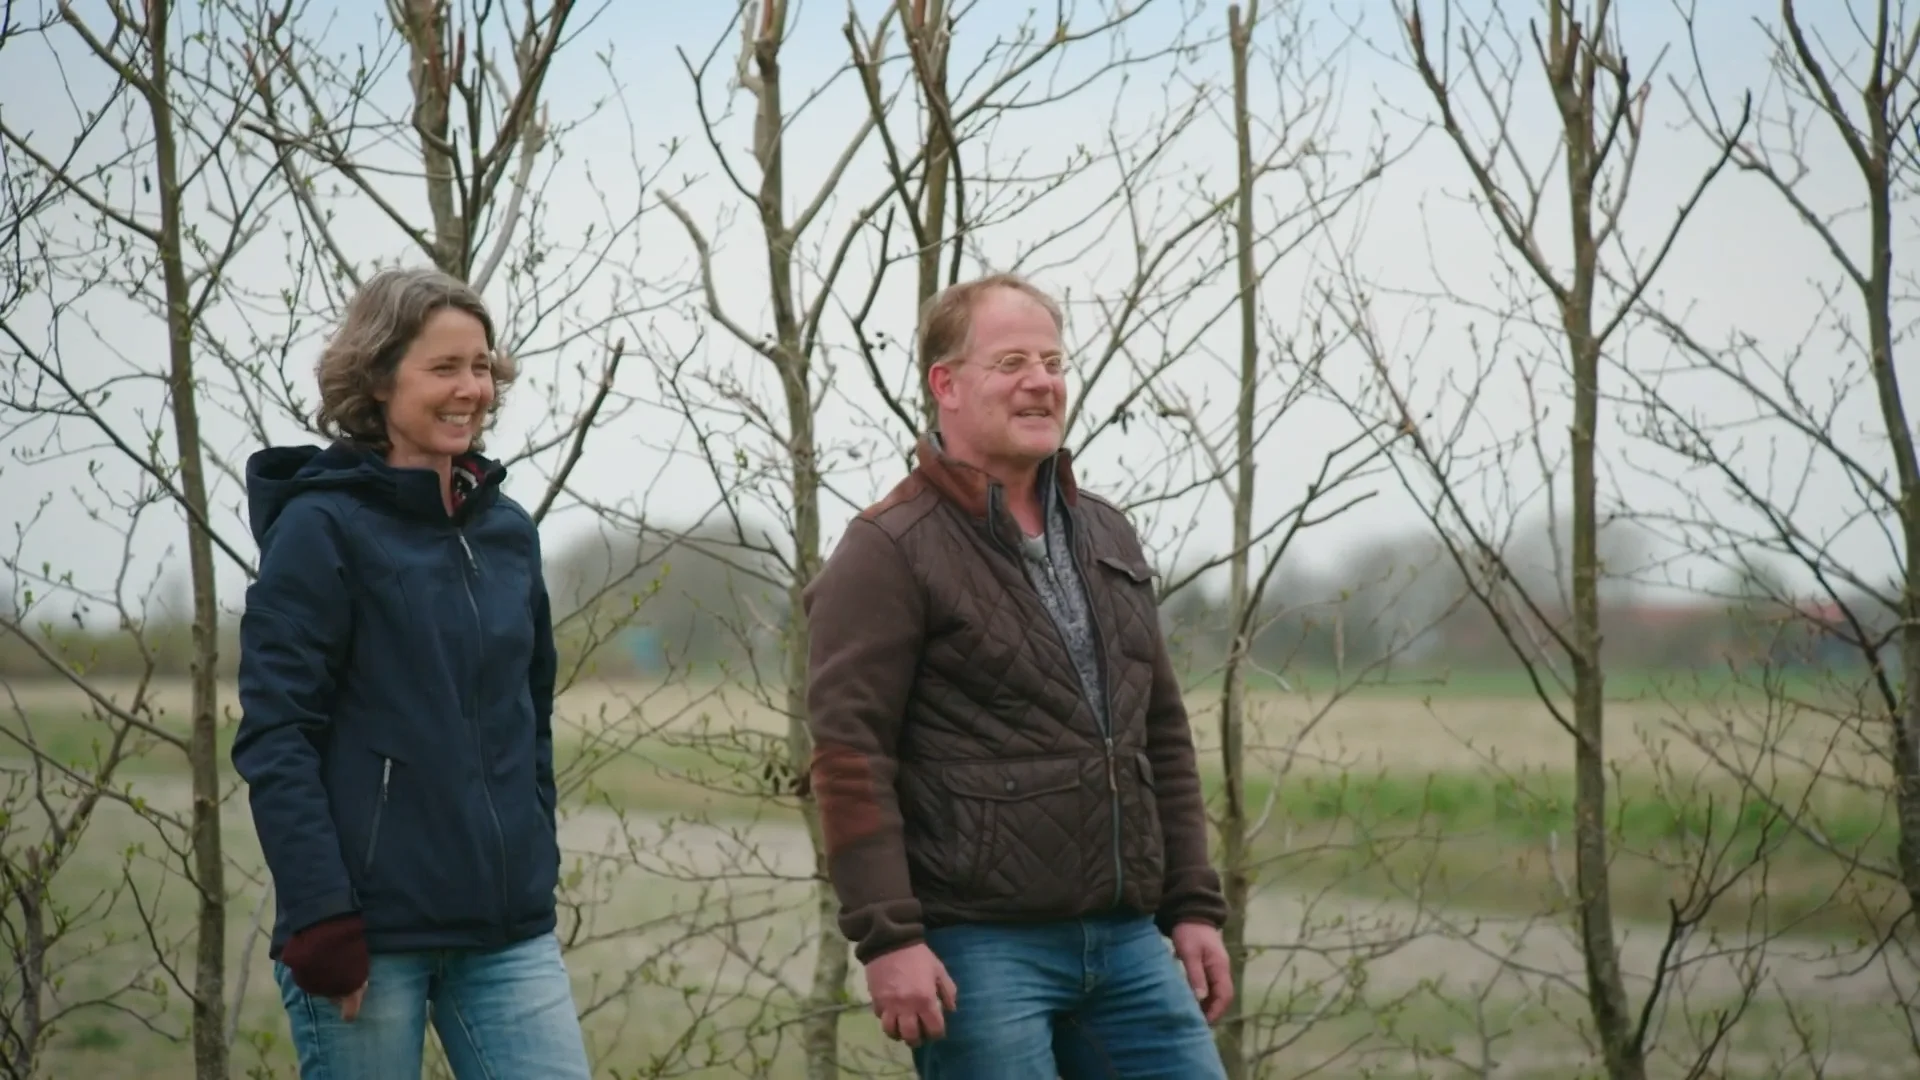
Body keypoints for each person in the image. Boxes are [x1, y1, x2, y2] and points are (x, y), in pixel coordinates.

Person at [802, 272, 1234, 1078]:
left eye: (1052, 362)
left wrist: (1193, 905)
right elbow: (850, 758)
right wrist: (889, 939)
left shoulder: (1107, 533)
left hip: (1129, 943)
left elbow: (1161, 735)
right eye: (1011, 364)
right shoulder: (888, 548)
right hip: (978, 950)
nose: (1042, 381)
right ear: (946, 385)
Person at [231, 267, 590, 1079]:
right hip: (366, 936)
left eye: (482, 367)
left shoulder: (507, 533)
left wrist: (533, 858)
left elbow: (529, 716)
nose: (472, 389)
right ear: (378, 378)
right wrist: (322, 916)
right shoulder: (321, 529)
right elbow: (277, 735)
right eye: (444, 368)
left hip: (507, 936)